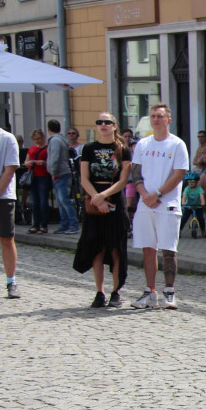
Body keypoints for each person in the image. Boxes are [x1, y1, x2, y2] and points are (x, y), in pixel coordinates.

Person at [130, 103, 189, 310]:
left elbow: (179, 173)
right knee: (148, 248)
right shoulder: (143, 144)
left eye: (160, 116)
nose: (156, 119)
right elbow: (136, 172)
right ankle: (150, 291)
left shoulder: (177, 144)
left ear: (168, 120)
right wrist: (145, 195)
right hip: (145, 204)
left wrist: (158, 194)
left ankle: (169, 291)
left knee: (168, 249)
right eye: (153, 116)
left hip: (168, 204)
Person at [73, 112, 131, 308]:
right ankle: (100, 291)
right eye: (100, 122)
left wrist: (103, 196)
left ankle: (116, 291)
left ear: (114, 126)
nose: (103, 125)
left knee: (115, 248)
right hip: (94, 201)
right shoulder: (89, 148)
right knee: (97, 248)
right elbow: (84, 178)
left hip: (114, 199)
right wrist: (97, 199)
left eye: (107, 122)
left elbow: (123, 180)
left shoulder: (122, 149)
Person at [0, 103, 21, 298]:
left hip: (3, 196)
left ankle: (11, 281)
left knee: (6, 238)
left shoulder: (6, 138)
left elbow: (10, 169)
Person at [47, 120, 80, 234]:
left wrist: (54, 172)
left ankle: (73, 225)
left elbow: (54, 157)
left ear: (49, 129)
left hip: (60, 173)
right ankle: (64, 225)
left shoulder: (55, 140)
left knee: (64, 200)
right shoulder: (62, 139)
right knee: (61, 201)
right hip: (63, 172)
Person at [24, 129, 51, 235]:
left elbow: (51, 162)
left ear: (43, 137)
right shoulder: (32, 148)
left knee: (43, 202)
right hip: (33, 176)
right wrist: (28, 163)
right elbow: (26, 162)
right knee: (34, 202)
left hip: (43, 176)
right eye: (35, 139)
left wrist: (43, 162)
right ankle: (35, 225)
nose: (37, 141)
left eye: (38, 139)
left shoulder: (48, 148)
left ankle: (44, 225)